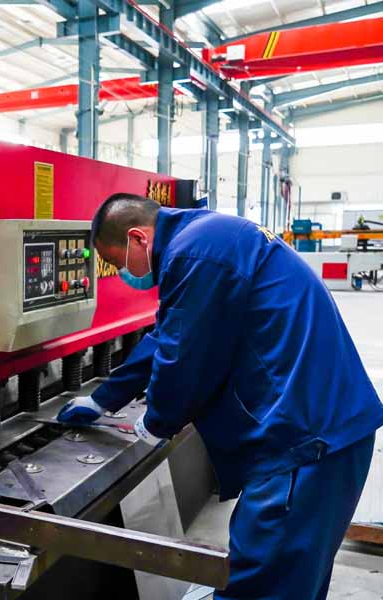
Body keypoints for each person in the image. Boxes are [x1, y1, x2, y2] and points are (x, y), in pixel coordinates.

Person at [57, 193, 383, 600]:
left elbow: (183, 355)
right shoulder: (206, 238)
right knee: (293, 581)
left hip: (303, 444)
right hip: (329, 429)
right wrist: (104, 399)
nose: (123, 273)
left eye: (116, 262)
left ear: (138, 238)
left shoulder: (194, 254)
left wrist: (156, 422)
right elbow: (167, 335)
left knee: (261, 586)